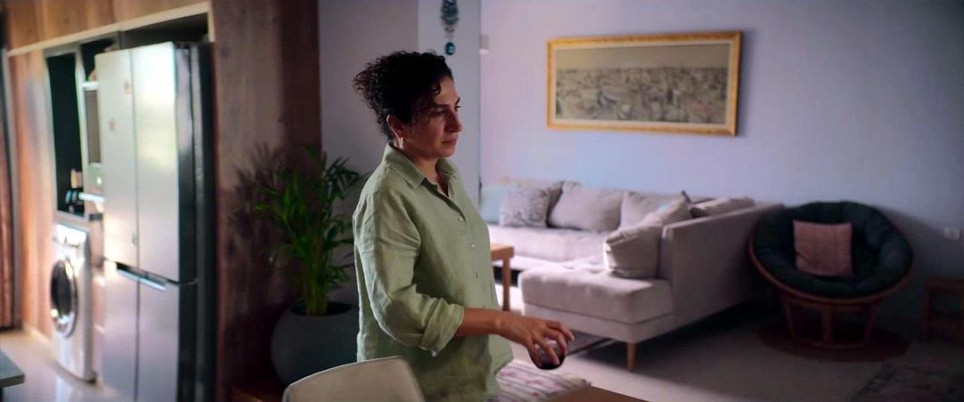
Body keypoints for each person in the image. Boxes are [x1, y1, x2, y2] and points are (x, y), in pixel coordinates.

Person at [351, 51, 575, 401]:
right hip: (418, 387)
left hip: (472, 377)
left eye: (456, 107)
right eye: (437, 113)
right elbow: (398, 309)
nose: (457, 125)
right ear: (398, 126)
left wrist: (517, 329)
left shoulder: (448, 175)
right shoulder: (387, 197)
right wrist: (503, 321)